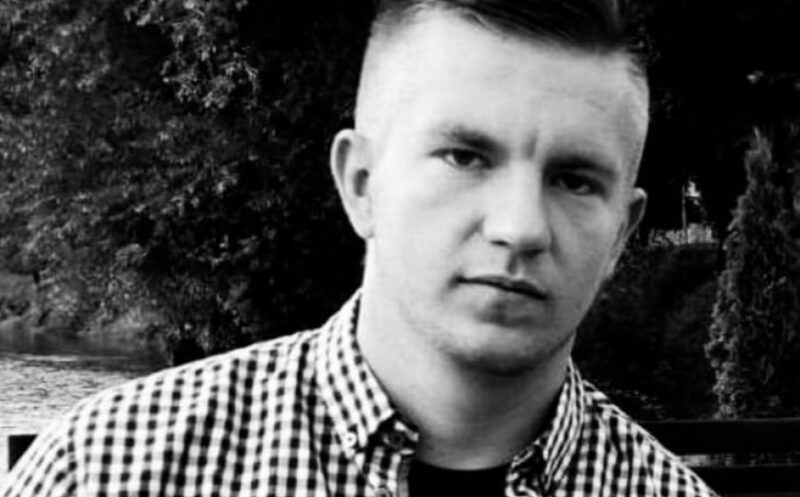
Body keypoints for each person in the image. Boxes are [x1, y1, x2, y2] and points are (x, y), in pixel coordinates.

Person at [1, 0, 717, 496]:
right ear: (361, 183)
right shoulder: (106, 469)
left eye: (574, 180)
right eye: (466, 156)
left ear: (621, 233)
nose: (521, 227)